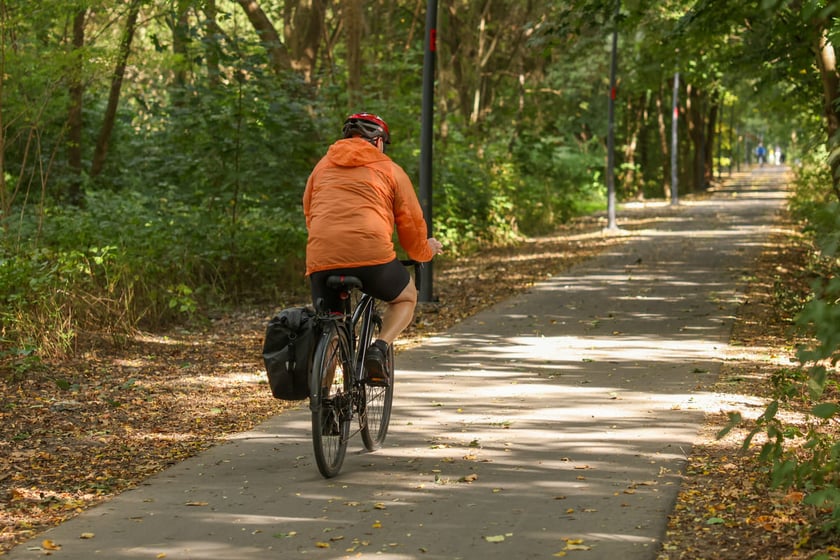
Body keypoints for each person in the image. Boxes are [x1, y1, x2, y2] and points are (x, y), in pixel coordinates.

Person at [303, 112, 443, 387]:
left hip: (322, 259)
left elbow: (310, 213)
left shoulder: (321, 167)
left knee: (329, 326)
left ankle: (324, 405)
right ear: (378, 142)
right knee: (406, 297)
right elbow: (411, 224)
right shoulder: (390, 169)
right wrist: (424, 251)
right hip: (372, 258)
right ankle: (378, 348)